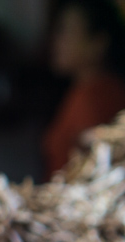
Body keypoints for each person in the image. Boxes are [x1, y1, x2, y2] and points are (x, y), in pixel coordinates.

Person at [43, 0, 125, 175]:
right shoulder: (95, 89)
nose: (57, 40)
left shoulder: (94, 98)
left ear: (98, 43)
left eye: (66, 31)